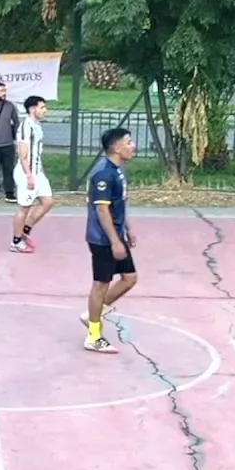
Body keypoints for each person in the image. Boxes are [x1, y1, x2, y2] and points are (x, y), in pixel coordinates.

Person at [82, 127, 138, 354]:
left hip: (116, 233)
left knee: (129, 278)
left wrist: (128, 229)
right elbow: (102, 211)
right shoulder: (103, 174)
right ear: (116, 147)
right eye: (128, 142)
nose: (133, 146)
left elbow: (118, 205)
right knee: (100, 284)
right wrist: (115, 241)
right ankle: (94, 336)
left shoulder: (118, 170)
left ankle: (93, 314)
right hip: (103, 238)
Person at [10, 95, 54, 254]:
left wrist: (39, 172)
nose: (45, 110)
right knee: (25, 207)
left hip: (38, 172)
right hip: (26, 172)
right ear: (32, 109)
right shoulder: (25, 127)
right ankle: (16, 241)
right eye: (42, 107)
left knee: (48, 202)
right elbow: (23, 155)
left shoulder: (37, 126)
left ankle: (25, 229)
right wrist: (29, 175)